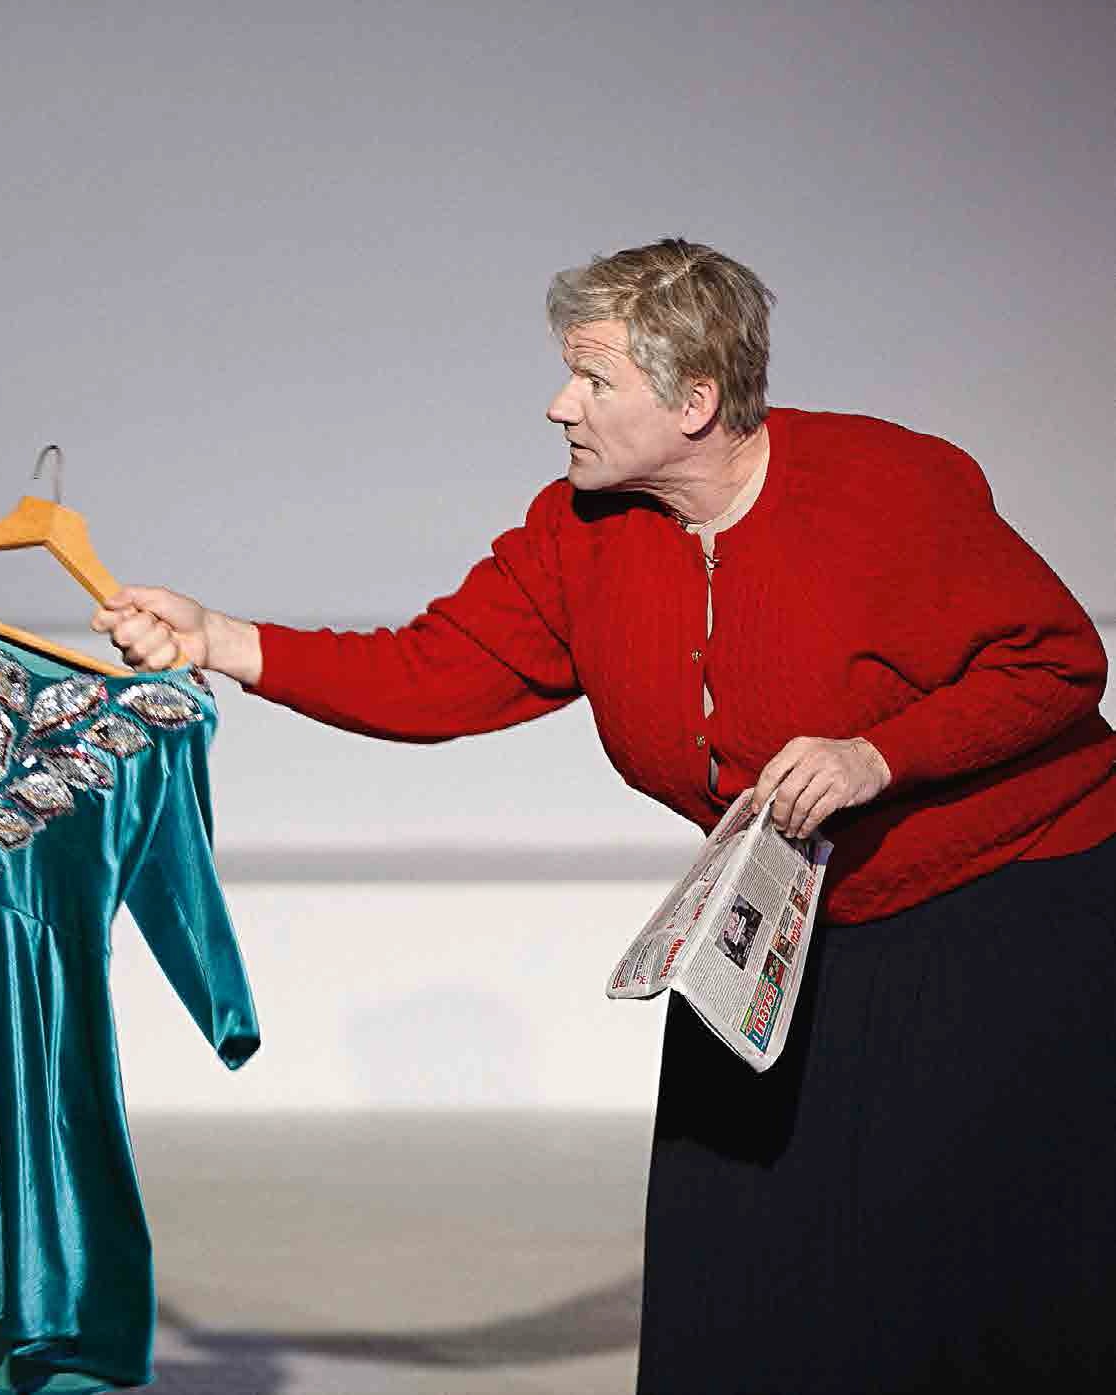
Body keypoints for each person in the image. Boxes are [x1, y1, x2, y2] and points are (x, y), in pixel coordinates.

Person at [93, 238, 1116, 1391]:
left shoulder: (885, 487)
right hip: (776, 922)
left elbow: (1054, 664)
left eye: (592, 379)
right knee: (730, 1271)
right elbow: (434, 673)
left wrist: (878, 754)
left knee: (976, 1269)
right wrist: (224, 640)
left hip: (1010, 902)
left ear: (694, 402)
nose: (558, 405)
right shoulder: (576, 533)